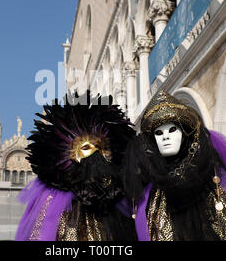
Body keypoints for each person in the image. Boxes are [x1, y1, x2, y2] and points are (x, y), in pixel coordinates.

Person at [123, 90, 226, 241]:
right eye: (158, 133)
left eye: (172, 130)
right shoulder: (153, 195)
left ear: (185, 133)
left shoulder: (214, 181)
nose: (165, 137)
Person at [15, 91, 137, 241]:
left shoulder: (118, 195)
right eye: (86, 149)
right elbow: (41, 233)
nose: (95, 155)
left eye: (100, 149)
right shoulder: (54, 198)